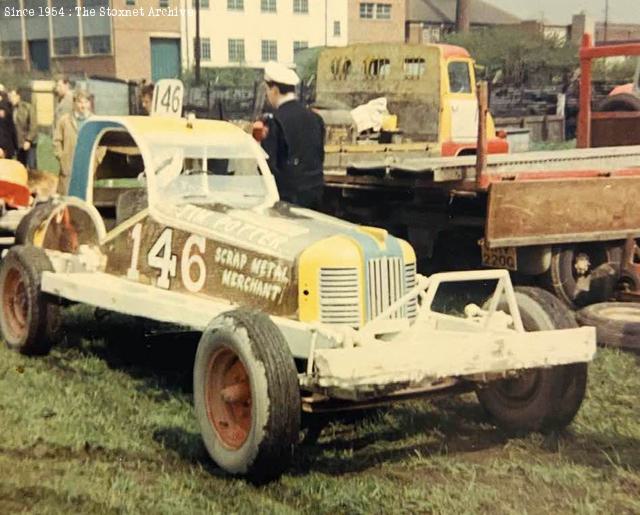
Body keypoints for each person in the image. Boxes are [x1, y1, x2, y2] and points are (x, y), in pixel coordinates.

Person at [260, 61, 325, 209]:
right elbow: (319, 156)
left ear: (275, 90)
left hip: (288, 199)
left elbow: (269, 166)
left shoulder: (275, 121)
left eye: (268, 91)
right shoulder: (315, 118)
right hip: (315, 194)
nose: (267, 95)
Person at [53, 89, 92, 195]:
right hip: (68, 166)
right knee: (66, 198)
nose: (83, 106)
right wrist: (62, 157)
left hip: (87, 165)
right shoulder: (64, 120)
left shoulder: (94, 121)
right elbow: (57, 141)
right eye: (80, 102)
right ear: (74, 103)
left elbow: (102, 146)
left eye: (86, 102)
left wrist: (96, 159)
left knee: (85, 196)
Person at [8, 88, 38, 169]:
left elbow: (33, 126)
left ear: (18, 96)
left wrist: (28, 140)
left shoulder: (27, 108)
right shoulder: (10, 109)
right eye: (10, 97)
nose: (11, 99)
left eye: (13, 96)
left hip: (29, 143)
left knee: (32, 167)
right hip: (18, 144)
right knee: (21, 167)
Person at [0, 85, 17, 160]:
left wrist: (2, 147)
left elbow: (4, 129)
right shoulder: (7, 106)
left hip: (3, 148)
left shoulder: (4, 108)